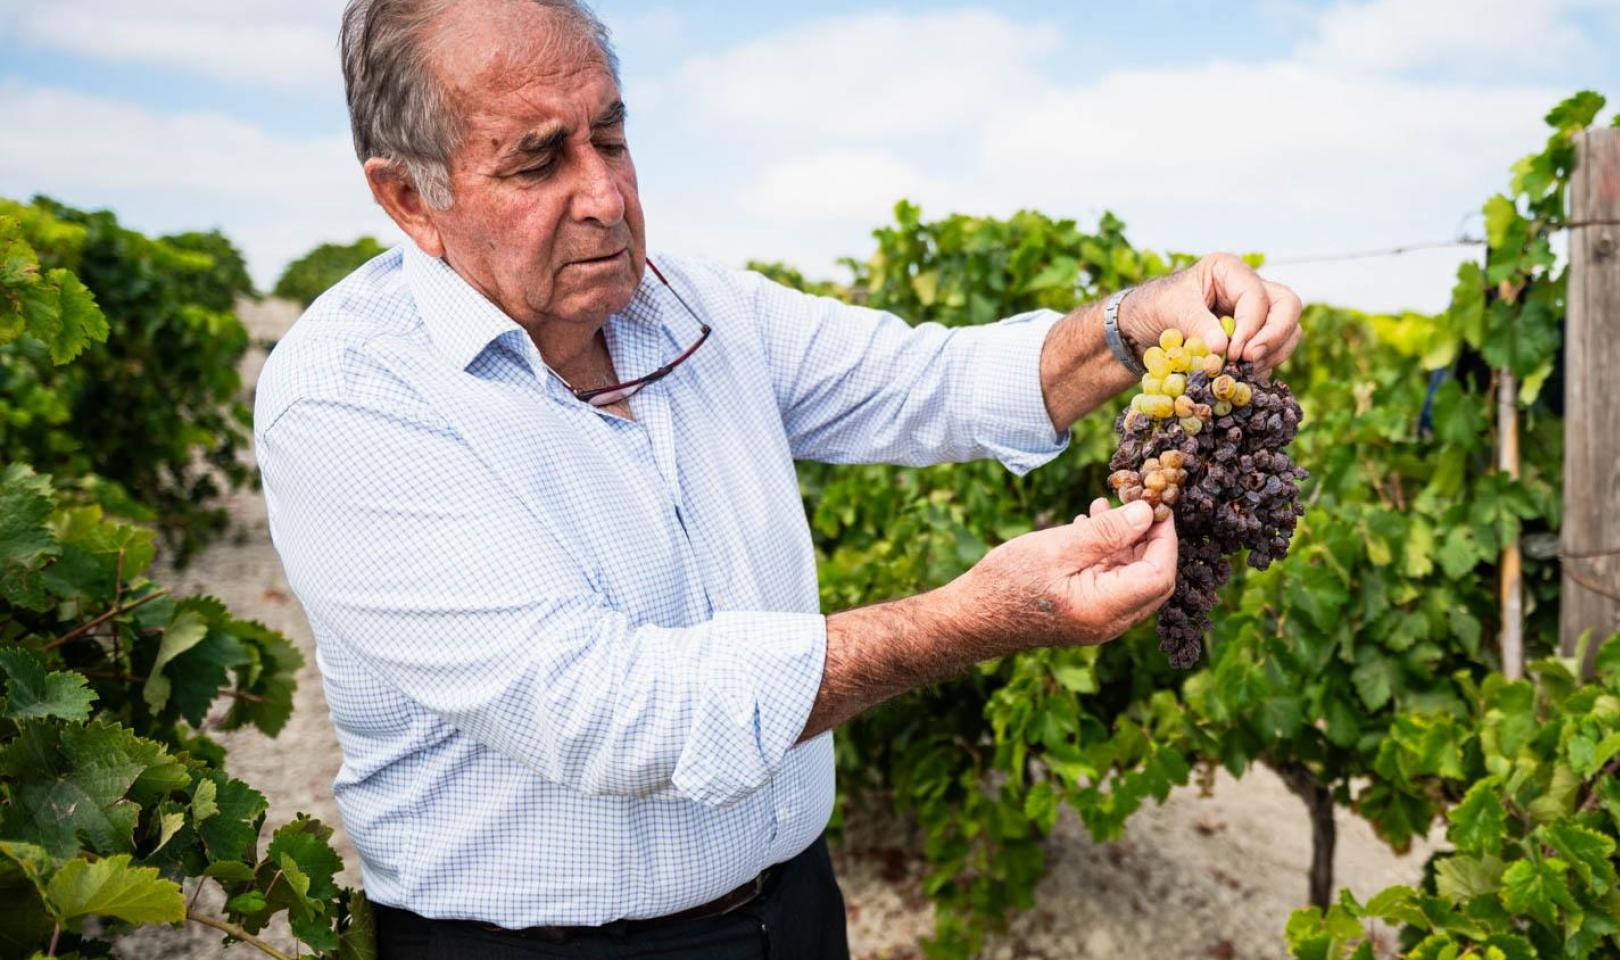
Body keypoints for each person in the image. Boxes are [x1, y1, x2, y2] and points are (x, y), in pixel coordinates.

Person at [254, 0, 1304, 956]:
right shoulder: (351, 396)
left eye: (611, 137)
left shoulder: (697, 309)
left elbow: (925, 381)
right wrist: (969, 619)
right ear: (407, 197)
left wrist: (1129, 324)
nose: (606, 196)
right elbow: (604, 709)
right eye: (538, 164)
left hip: (792, 911)